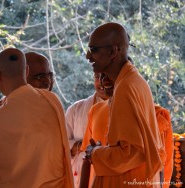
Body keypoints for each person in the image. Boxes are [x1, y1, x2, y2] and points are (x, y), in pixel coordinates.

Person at [84, 22, 165, 187]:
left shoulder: (126, 87)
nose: (88, 56)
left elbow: (130, 154)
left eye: (93, 50)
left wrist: (95, 153)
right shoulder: (129, 81)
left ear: (113, 51)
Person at [0, 48, 73, 187]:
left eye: (50, 75)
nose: (47, 81)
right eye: (40, 76)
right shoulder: (52, 100)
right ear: (27, 71)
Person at [80, 73, 173, 187]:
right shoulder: (95, 111)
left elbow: (163, 164)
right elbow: (87, 159)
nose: (103, 81)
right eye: (98, 76)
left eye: (110, 75)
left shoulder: (156, 114)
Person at [65, 72, 108, 187]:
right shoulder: (76, 109)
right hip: (79, 177)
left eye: (106, 75)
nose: (101, 82)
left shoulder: (128, 110)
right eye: (97, 77)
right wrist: (80, 146)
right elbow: (59, 146)